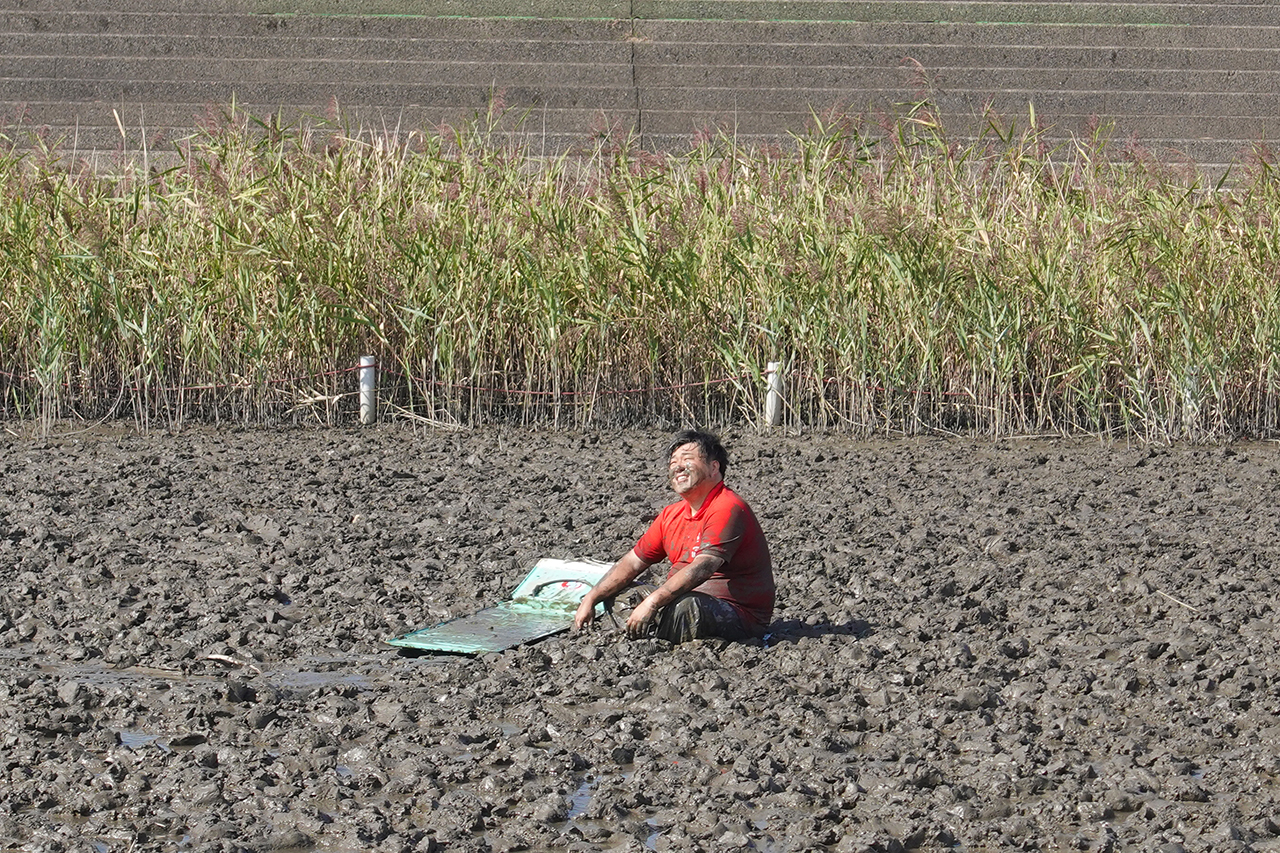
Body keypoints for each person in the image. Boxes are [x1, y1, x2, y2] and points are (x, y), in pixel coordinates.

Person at [573, 429, 775, 644]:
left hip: (736, 614)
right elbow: (633, 562)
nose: (677, 467)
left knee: (687, 607)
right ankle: (641, 636)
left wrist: (653, 602)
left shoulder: (728, 506)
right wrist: (591, 597)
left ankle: (653, 641)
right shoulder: (672, 514)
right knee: (617, 593)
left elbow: (704, 566)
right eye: (673, 462)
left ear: (714, 467)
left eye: (687, 459)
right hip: (677, 599)